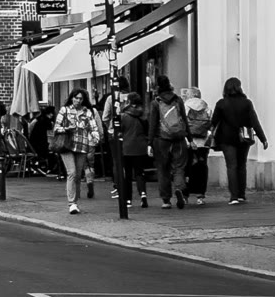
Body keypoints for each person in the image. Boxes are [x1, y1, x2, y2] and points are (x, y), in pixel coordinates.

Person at [211, 76, 270, 205]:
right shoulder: (247, 103)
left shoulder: (221, 103)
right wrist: (263, 138)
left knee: (231, 166)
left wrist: (208, 136)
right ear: (239, 88)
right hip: (244, 138)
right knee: (242, 165)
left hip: (226, 139)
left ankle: (234, 197)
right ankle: (241, 194)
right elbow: (254, 121)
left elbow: (214, 122)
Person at [104, 77, 151, 208]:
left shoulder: (123, 115)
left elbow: (112, 124)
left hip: (127, 146)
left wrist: (112, 131)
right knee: (140, 172)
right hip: (140, 146)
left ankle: (128, 199)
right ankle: (143, 194)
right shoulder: (143, 115)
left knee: (127, 173)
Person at [54, 88, 102, 213]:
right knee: (72, 172)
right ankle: (71, 203)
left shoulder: (87, 112)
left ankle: (75, 201)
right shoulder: (64, 110)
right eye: (76, 98)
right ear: (72, 98)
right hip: (67, 145)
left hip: (82, 145)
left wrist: (96, 138)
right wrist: (66, 128)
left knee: (78, 175)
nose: (78, 100)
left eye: (81, 98)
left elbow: (93, 127)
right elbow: (56, 128)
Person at [148, 76, 190, 209]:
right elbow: (184, 119)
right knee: (179, 167)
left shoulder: (156, 102)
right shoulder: (178, 100)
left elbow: (153, 124)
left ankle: (166, 200)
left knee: (162, 169)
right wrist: (189, 138)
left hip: (161, 139)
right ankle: (179, 188)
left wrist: (149, 143)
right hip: (179, 138)